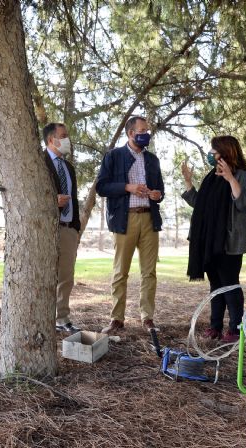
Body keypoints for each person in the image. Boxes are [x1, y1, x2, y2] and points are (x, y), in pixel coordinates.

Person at [181, 136, 246, 343]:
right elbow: (201, 205)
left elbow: (244, 203)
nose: (210, 155)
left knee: (230, 284)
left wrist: (231, 178)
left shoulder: (241, 176)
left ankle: (235, 329)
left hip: (229, 241)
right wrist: (188, 182)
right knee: (215, 285)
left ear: (226, 152)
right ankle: (215, 327)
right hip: (209, 241)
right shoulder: (210, 177)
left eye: (214, 151)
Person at [96, 116, 164, 334]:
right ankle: (117, 319)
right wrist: (128, 187)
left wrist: (156, 194)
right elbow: (102, 187)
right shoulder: (114, 156)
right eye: (142, 130)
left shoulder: (152, 160)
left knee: (149, 273)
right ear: (131, 133)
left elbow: (161, 191)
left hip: (149, 218)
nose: (147, 133)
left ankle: (148, 318)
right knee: (120, 272)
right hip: (124, 220)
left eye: (148, 130)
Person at [42, 122, 82, 333]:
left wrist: (76, 227)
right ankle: (43, 317)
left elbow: (73, 198)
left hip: (67, 228)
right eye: (63, 136)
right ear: (51, 139)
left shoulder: (68, 167)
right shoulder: (38, 162)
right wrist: (50, 201)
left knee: (66, 276)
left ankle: (62, 318)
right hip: (45, 228)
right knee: (43, 275)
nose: (68, 139)